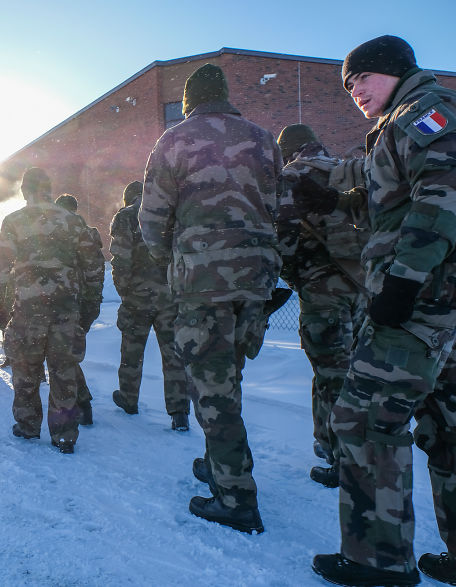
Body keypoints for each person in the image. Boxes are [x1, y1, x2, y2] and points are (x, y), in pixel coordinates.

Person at [304, 35, 456, 587]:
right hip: (440, 310)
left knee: (364, 420)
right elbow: (390, 192)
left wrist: (403, 282)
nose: (354, 93)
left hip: (417, 307)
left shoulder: (427, 113)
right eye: (347, 86)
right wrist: (339, 198)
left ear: (393, 70)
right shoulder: (400, 123)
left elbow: (441, 196)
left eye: (361, 79)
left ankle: (377, 561)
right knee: (444, 428)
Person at [139, 63, 282, 534]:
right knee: (227, 377)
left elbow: (152, 219)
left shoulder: (174, 140)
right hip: (255, 281)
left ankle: (236, 498)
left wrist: (177, 258)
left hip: (205, 283)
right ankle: (219, 462)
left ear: (187, 102)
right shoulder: (264, 138)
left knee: (213, 388)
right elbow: (279, 207)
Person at [274, 123, 368, 489]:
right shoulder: (347, 167)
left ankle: (346, 462)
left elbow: (282, 237)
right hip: (359, 284)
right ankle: (328, 442)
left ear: (289, 150)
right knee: (345, 370)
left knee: (331, 374)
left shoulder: (292, 175)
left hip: (322, 288)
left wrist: (294, 276)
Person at [0, 167, 104, 454]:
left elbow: (1, 266)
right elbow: (94, 267)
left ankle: (27, 426)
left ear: (25, 191)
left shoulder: (14, 220)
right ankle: (64, 435)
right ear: (49, 189)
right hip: (66, 310)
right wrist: (89, 305)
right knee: (63, 372)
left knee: (26, 370)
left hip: (28, 309)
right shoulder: (73, 221)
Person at [110, 180, 191, 431]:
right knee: (174, 355)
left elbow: (120, 259)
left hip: (138, 296)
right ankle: (179, 412)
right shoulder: (170, 214)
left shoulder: (125, 217)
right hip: (170, 295)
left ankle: (129, 399)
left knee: (132, 353)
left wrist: (126, 290)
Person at [55, 193, 102, 425]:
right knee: (68, 353)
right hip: (84, 303)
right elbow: (97, 270)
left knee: (64, 355)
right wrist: (93, 302)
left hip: (65, 303)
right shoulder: (89, 233)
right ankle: (83, 404)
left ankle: (82, 404)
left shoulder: (56, 233)